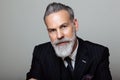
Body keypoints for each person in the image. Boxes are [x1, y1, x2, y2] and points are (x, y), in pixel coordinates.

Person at [26, 2, 112, 80]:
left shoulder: (99, 53)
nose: (59, 36)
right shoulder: (40, 52)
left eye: (63, 26)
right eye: (52, 30)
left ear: (75, 25)